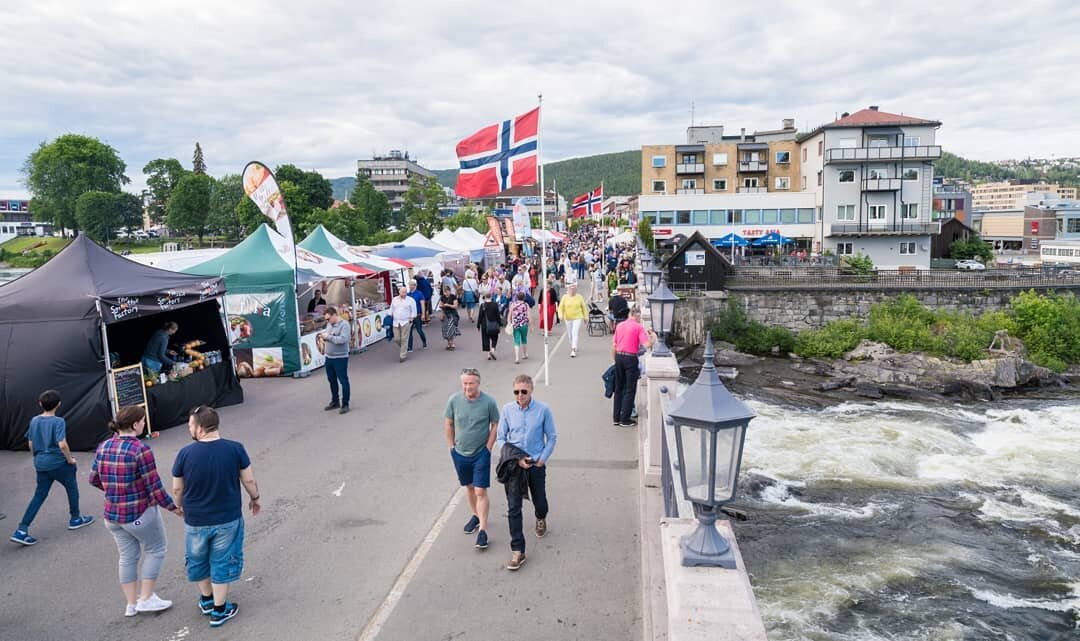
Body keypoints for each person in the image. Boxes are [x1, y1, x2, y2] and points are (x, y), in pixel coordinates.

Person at [172, 406, 260, 629]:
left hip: (195, 519)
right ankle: (220, 610)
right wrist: (255, 497)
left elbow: (177, 488)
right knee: (222, 560)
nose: (189, 429)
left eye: (190, 425)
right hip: (227, 517)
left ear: (200, 428)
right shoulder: (235, 449)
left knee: (198, 558)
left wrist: (178, 506)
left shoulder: (184, 453)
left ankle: (207, 599)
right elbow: (248, 480)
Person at [90, 406, 182, 617]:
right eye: (142, 421)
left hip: (111, 514)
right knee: (156, 548)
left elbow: (93, 478)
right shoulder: (141, 449)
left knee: (127, 557)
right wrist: (174, 508)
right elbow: (154, 487)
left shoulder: (104, 446)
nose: (144, 424)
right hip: (138, 513)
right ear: (134, 424)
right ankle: (146, 598)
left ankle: (131, 603)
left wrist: (115, 489)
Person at [10, 390, 94, 546]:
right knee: (71, 488)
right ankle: (75, 518)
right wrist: (70, 459)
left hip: (40, 463)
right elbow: (62, 444)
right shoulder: (58, 421)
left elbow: (30, 443)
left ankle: (22, 529)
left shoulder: (34, 420)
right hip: (58, 463)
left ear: (40, 404)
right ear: (59, 404)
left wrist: (37, 457)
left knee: (39, 495)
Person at [495, 374, 556, 571]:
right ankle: (518, 550)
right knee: (514, 508)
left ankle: (541, 517)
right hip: (514, 465)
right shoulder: (507, 410)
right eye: (516, 392)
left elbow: (552, 437)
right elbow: (501, 438)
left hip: (535, 463)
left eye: (524, 391)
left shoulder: (543, 410)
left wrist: (541, 459)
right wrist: (515, 459)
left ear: (531, 390)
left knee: (540, 500)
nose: (520, 395)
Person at [444, 368, 501, 552]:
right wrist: (451, 447)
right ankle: (475, 516)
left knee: (480, 490)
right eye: (465, 383)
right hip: (460, 453)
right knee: (469, 487)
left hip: (480, 454)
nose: (468, 387)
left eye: (471, 383)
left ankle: (483, 531)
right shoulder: (454, 400)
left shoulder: (488, 402)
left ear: (478, 383)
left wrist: (488, 448)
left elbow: (495, 424)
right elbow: (448, 423)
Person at [611, 307, 655, 427]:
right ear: (637, 316)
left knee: (619, 388)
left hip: (619, 356)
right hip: (631, 358)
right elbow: (647, 345)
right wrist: (652, 337)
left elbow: (614, 346)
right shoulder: (638, 327)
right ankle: (625, 419)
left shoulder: (619, 326)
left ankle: (616, 417)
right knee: (630, 389)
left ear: (630, 314)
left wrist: (615, 360)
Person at [320, 306, 351, 414]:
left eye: (328, 319)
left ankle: (345, 403)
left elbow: (343, 339)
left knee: (343, 380)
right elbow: (329, 336)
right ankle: (335, 401)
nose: (327, 321)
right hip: (329, 357)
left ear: (334, 315)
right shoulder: (329, 325)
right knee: (331, 380)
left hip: (340, 357)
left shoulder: (344, 325)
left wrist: (328, 337)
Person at [558, 283, 588, 358]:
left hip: (577, 317)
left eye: (574, 289)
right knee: (570, 334)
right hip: (567, 318)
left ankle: (573, 349)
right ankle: (572, 344)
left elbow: (584, 307)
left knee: (575, 332)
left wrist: (586, 317)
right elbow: (560, 308)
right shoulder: (565, 297)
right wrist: (560, 316)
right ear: (568, 290)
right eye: (571, 289)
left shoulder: (579, 297)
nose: (572, 290)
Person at [390, 286, 416, 363]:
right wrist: (390, 315)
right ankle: (404, 348)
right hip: (396, 322)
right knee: (397, 339)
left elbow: (414, 310)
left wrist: (412, 317)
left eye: (405, 292)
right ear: (399, 292)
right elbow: (391, 308)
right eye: (402, 292)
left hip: (406, 321)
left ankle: (402, 356)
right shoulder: (394, 300)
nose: (404, 294)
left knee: (404, 338)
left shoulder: (410, 300)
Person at [476, 293, 503, 360]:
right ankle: (493, 350)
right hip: (494, 324)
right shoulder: (495, 305)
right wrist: (500, 324)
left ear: (485, 298)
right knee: (494, 337)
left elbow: (480, 316)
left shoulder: (482, 306)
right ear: (491, 297)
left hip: (485, 325)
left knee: (486, 338)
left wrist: (478, 325)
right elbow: (498, 316)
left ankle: (488, 355)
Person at [509, 291, 531, 364]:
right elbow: (529, 316)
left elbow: (510, 315)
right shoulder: (526, 305)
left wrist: (509, 323)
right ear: (524, 298)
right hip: (524, 324)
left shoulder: (513, 304)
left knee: (516, 341)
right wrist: (531, 325)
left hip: (515, 324)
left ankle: (517, 358)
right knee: (524, 339)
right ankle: (524, 354)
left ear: (516, 297)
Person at [406, 282, 428, 353]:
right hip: (410, 316)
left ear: (415, 285)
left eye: (411, 285)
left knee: (419, 330)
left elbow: (422, 304)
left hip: (417, 315)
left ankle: (424, 341)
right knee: (409, 331)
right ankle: (410, 347)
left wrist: (423, 314)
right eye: (409, 285)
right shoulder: (408, 294)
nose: (409, 286)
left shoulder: (419, 293)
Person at [439, 285, 460, 350]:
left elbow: (456, 306)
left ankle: (452, 343)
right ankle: (448, 343)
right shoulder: (442, 297)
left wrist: (448, 305)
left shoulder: (453, 297)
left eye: (447, 292)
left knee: (451, 329)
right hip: (445, 314)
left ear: (449, 291)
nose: (446, 293)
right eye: (444, 292)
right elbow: (441, 306)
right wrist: (441, 314)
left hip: (452, 314)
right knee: (445, 329)